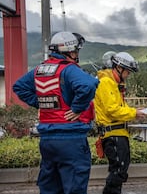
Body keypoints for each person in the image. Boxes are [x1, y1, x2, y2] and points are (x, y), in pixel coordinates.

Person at [12, 31, 99, 194]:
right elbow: (88, 85)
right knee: (74, 186)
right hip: (71, 138)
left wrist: (40, 103)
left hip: (47, 140)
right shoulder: (69, 69)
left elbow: (19, 87)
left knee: (50, 187)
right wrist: (77, 108)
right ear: (71, 51)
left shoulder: (39, 69)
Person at [94, 51, 146, 194]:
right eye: (127, 71)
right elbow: (112, 110)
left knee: (119, 170)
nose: (128, 75)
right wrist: (134, 113)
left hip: (118, 133)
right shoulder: (106, 83)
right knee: (118, 171)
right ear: (119, 68)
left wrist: (135, 111)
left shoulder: (115, 84)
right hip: (112, 134)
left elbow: (119, 107)